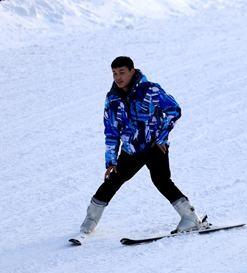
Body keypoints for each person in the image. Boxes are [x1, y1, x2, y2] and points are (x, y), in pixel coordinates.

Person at [76, 56, 210, 240]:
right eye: (114, 73)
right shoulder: (112, 99)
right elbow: (111, 131)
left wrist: (162, 138)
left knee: (162, 181)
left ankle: (190, 218)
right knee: (112, 181)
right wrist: (111, 160)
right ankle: (88, 224)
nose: (118, 77)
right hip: (131, 150)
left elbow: (174, 110)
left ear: (132, 71)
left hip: (155, 147)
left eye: (122, 72)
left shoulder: (151, 90)